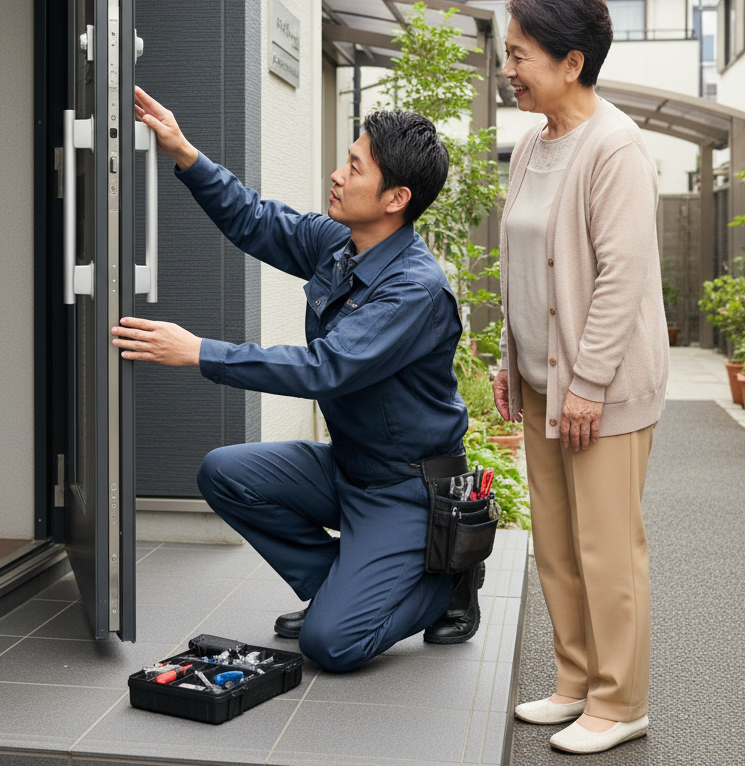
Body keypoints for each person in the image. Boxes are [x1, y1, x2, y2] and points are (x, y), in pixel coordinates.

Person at [112, 86, 481, 671]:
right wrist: (183, 150)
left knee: (330, 646)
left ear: (395, 198)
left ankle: (445, 583)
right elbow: (257, 221)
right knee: (225, 474)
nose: (337, 174)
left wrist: (201, 352)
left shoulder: (414, 288)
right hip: (350, 467)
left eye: (354, 167)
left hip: (406, 489)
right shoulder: (343, 244)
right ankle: (340, 585)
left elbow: (326, 368)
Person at [494, 0, 668, 754]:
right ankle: (574, 681)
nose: (509, 67)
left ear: (571, 61)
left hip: (600, 390)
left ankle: (620, 699)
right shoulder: (534, 143)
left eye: (520, 54)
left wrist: (589, 383)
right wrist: (512, 359)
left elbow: (622, 278)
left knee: (606, 544)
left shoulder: (615, 147)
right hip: (541, 383)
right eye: (507, 52)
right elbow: (523, 263)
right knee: (557, 541)